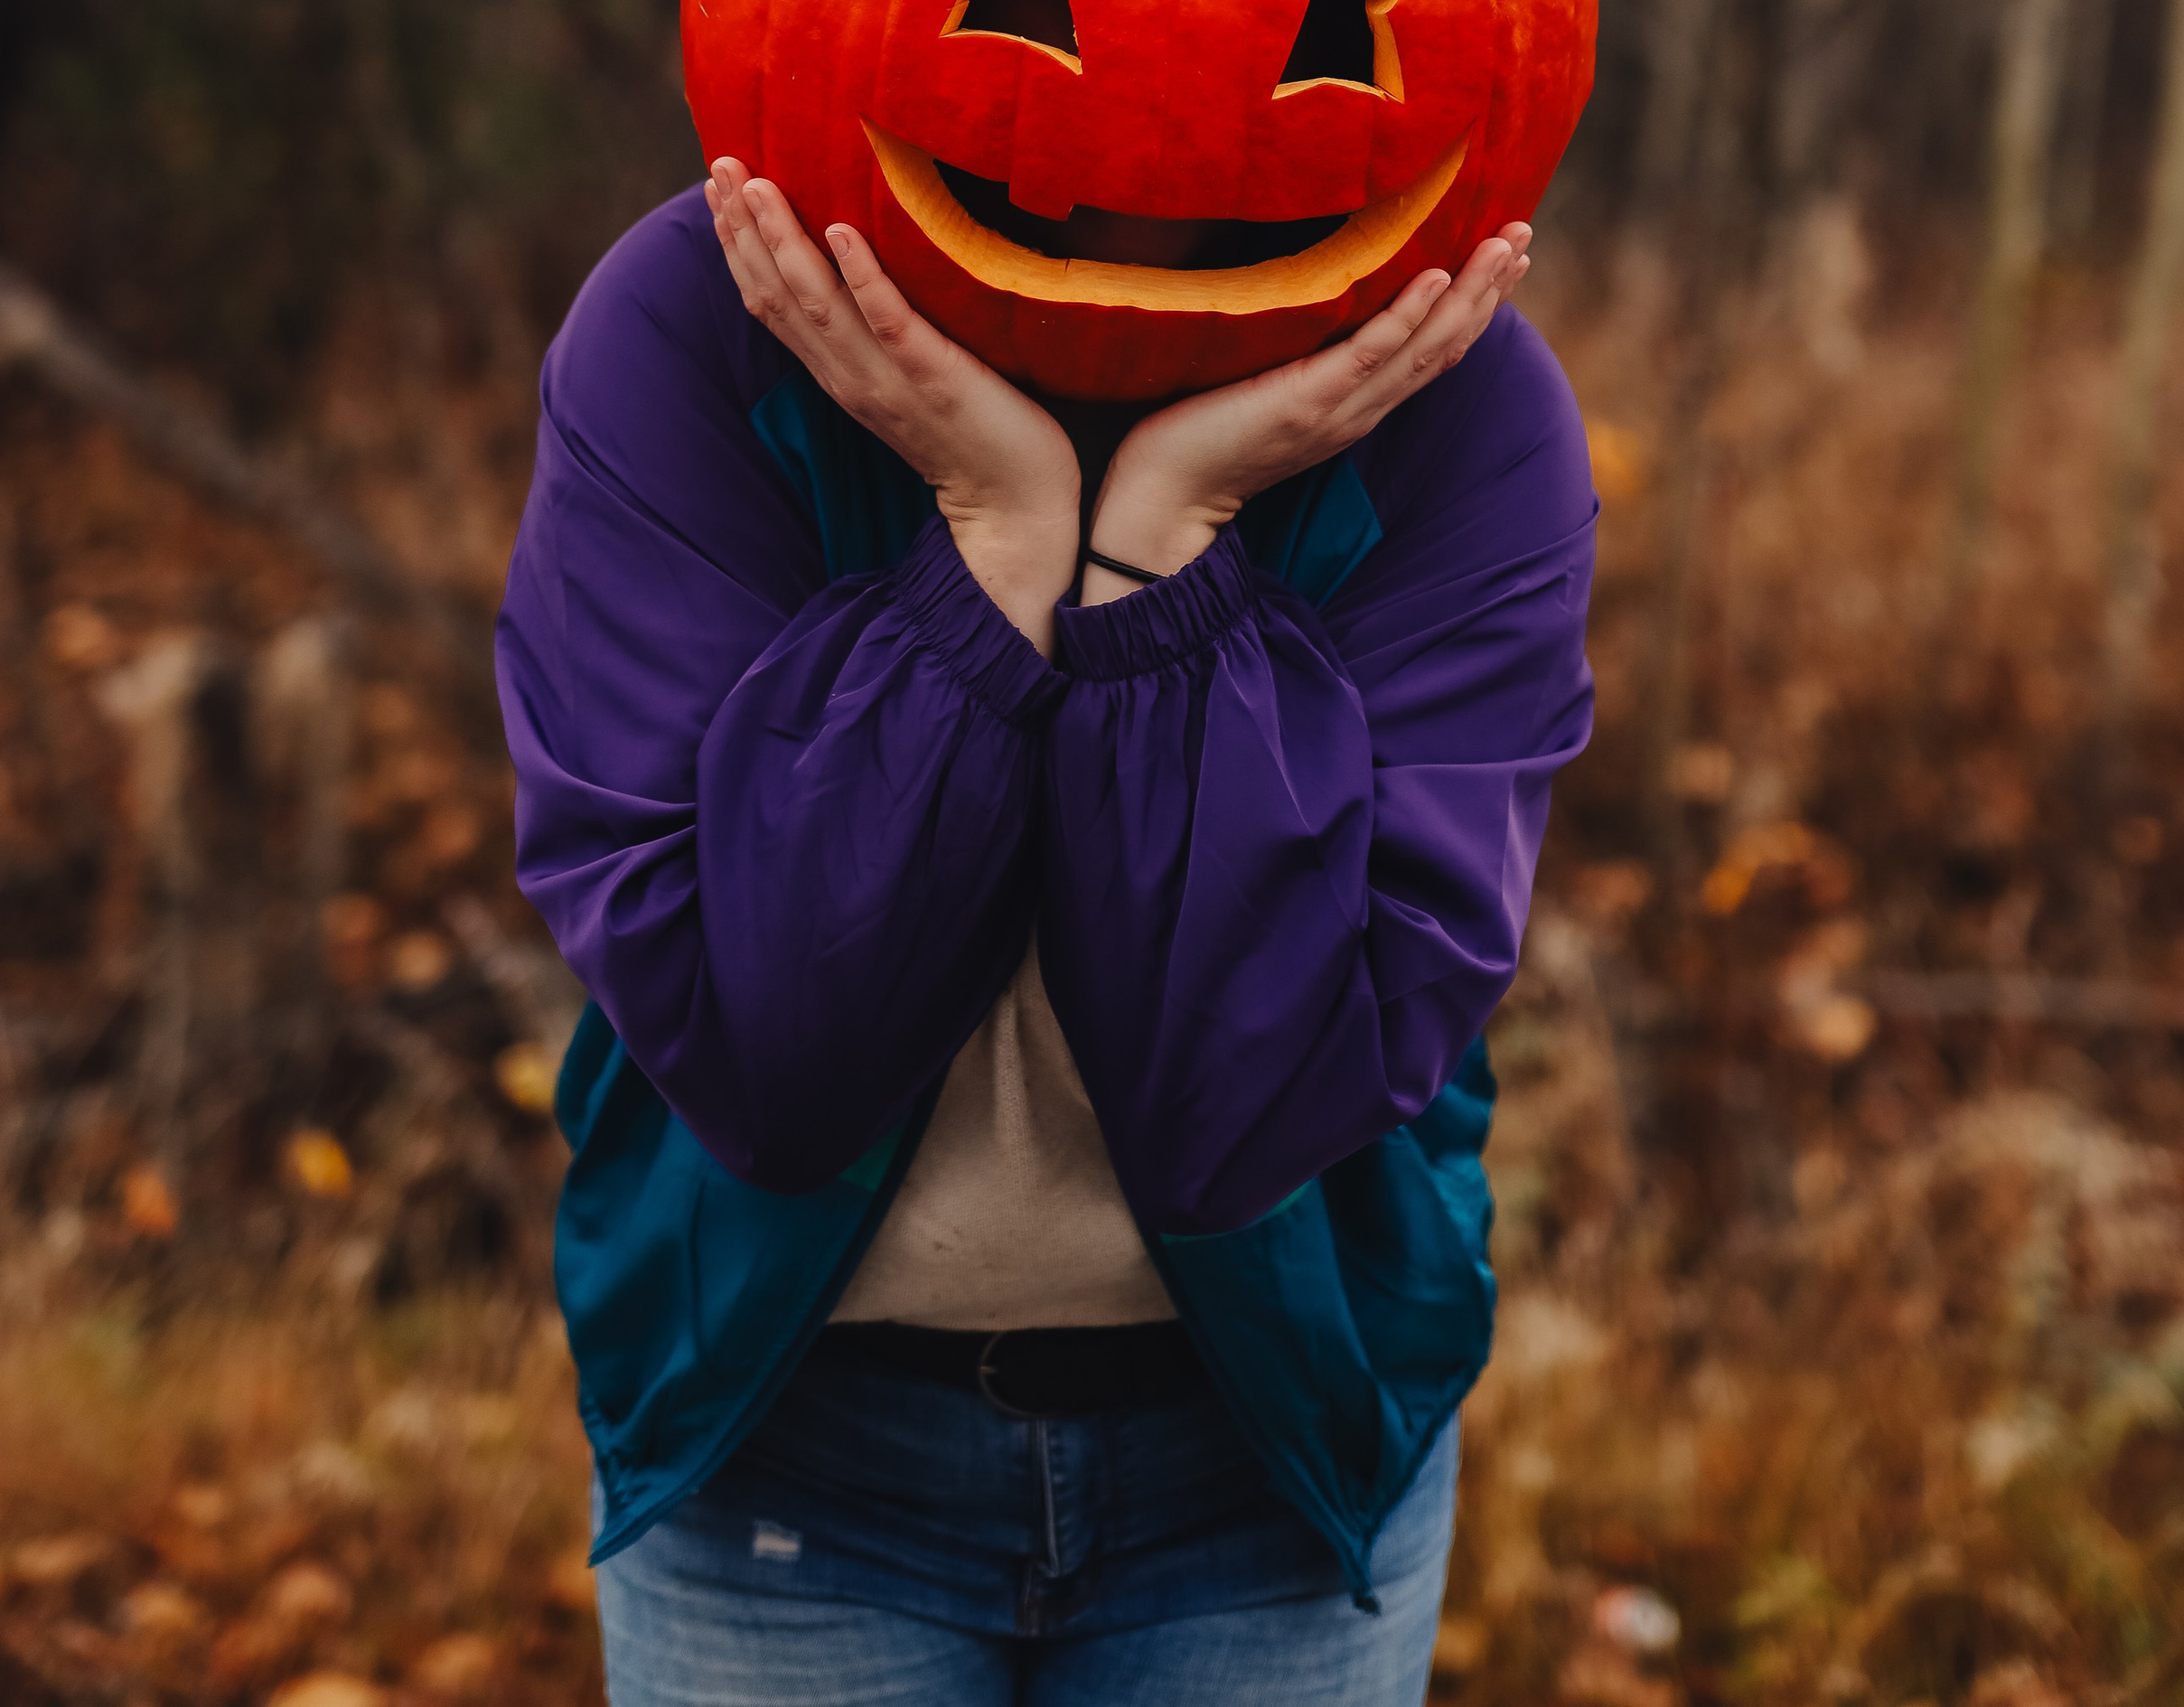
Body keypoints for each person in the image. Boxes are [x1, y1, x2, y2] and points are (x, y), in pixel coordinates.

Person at [496, 155, 1597, 1705]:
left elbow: (1259, 1105)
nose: (1135, 134)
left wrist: (1162, 552)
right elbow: (772, 1062)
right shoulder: (701, 324)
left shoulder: (1449, 394)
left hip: (1269, 1458)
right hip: (790, 1456)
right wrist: (999, 545)